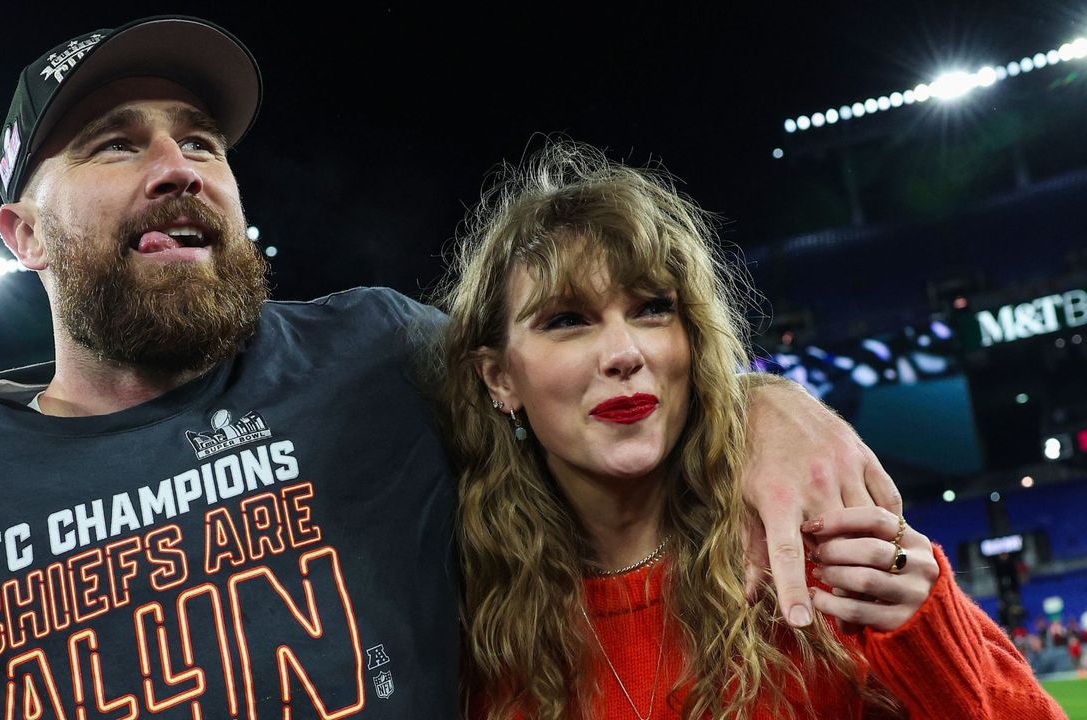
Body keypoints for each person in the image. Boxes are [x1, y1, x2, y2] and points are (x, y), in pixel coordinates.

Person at [0, 16, 901, 720]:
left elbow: (581, 373)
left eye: (200, 140)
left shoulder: (379, 356)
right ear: (20, 234)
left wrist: (761, 400)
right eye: (113, 143)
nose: (176, 165)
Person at [435, 140, 1066, 719]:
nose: (624, 353)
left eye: (653, 309)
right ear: (499, 379)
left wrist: (926, 634)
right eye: (568, 320)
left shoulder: (815, 551)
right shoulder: (463, 621)